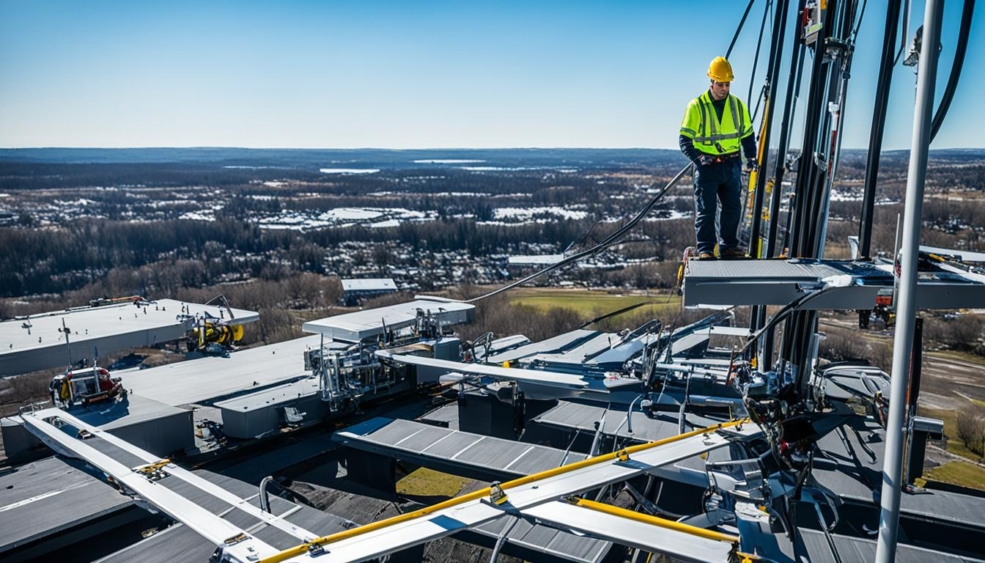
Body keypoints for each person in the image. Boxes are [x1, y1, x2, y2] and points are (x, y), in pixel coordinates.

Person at [679, 56, 758, 260]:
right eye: (720, 84)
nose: (724, 88)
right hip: (708, 167)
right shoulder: (696, 106)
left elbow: (748, 135)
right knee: (707, 209)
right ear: (711, 82)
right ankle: (706, 249)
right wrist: (699, 159)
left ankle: (729, 247)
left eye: (727, 84)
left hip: (731, 165)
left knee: (732, 208)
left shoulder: (737, 106)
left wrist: (751, 157)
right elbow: (684, 141)